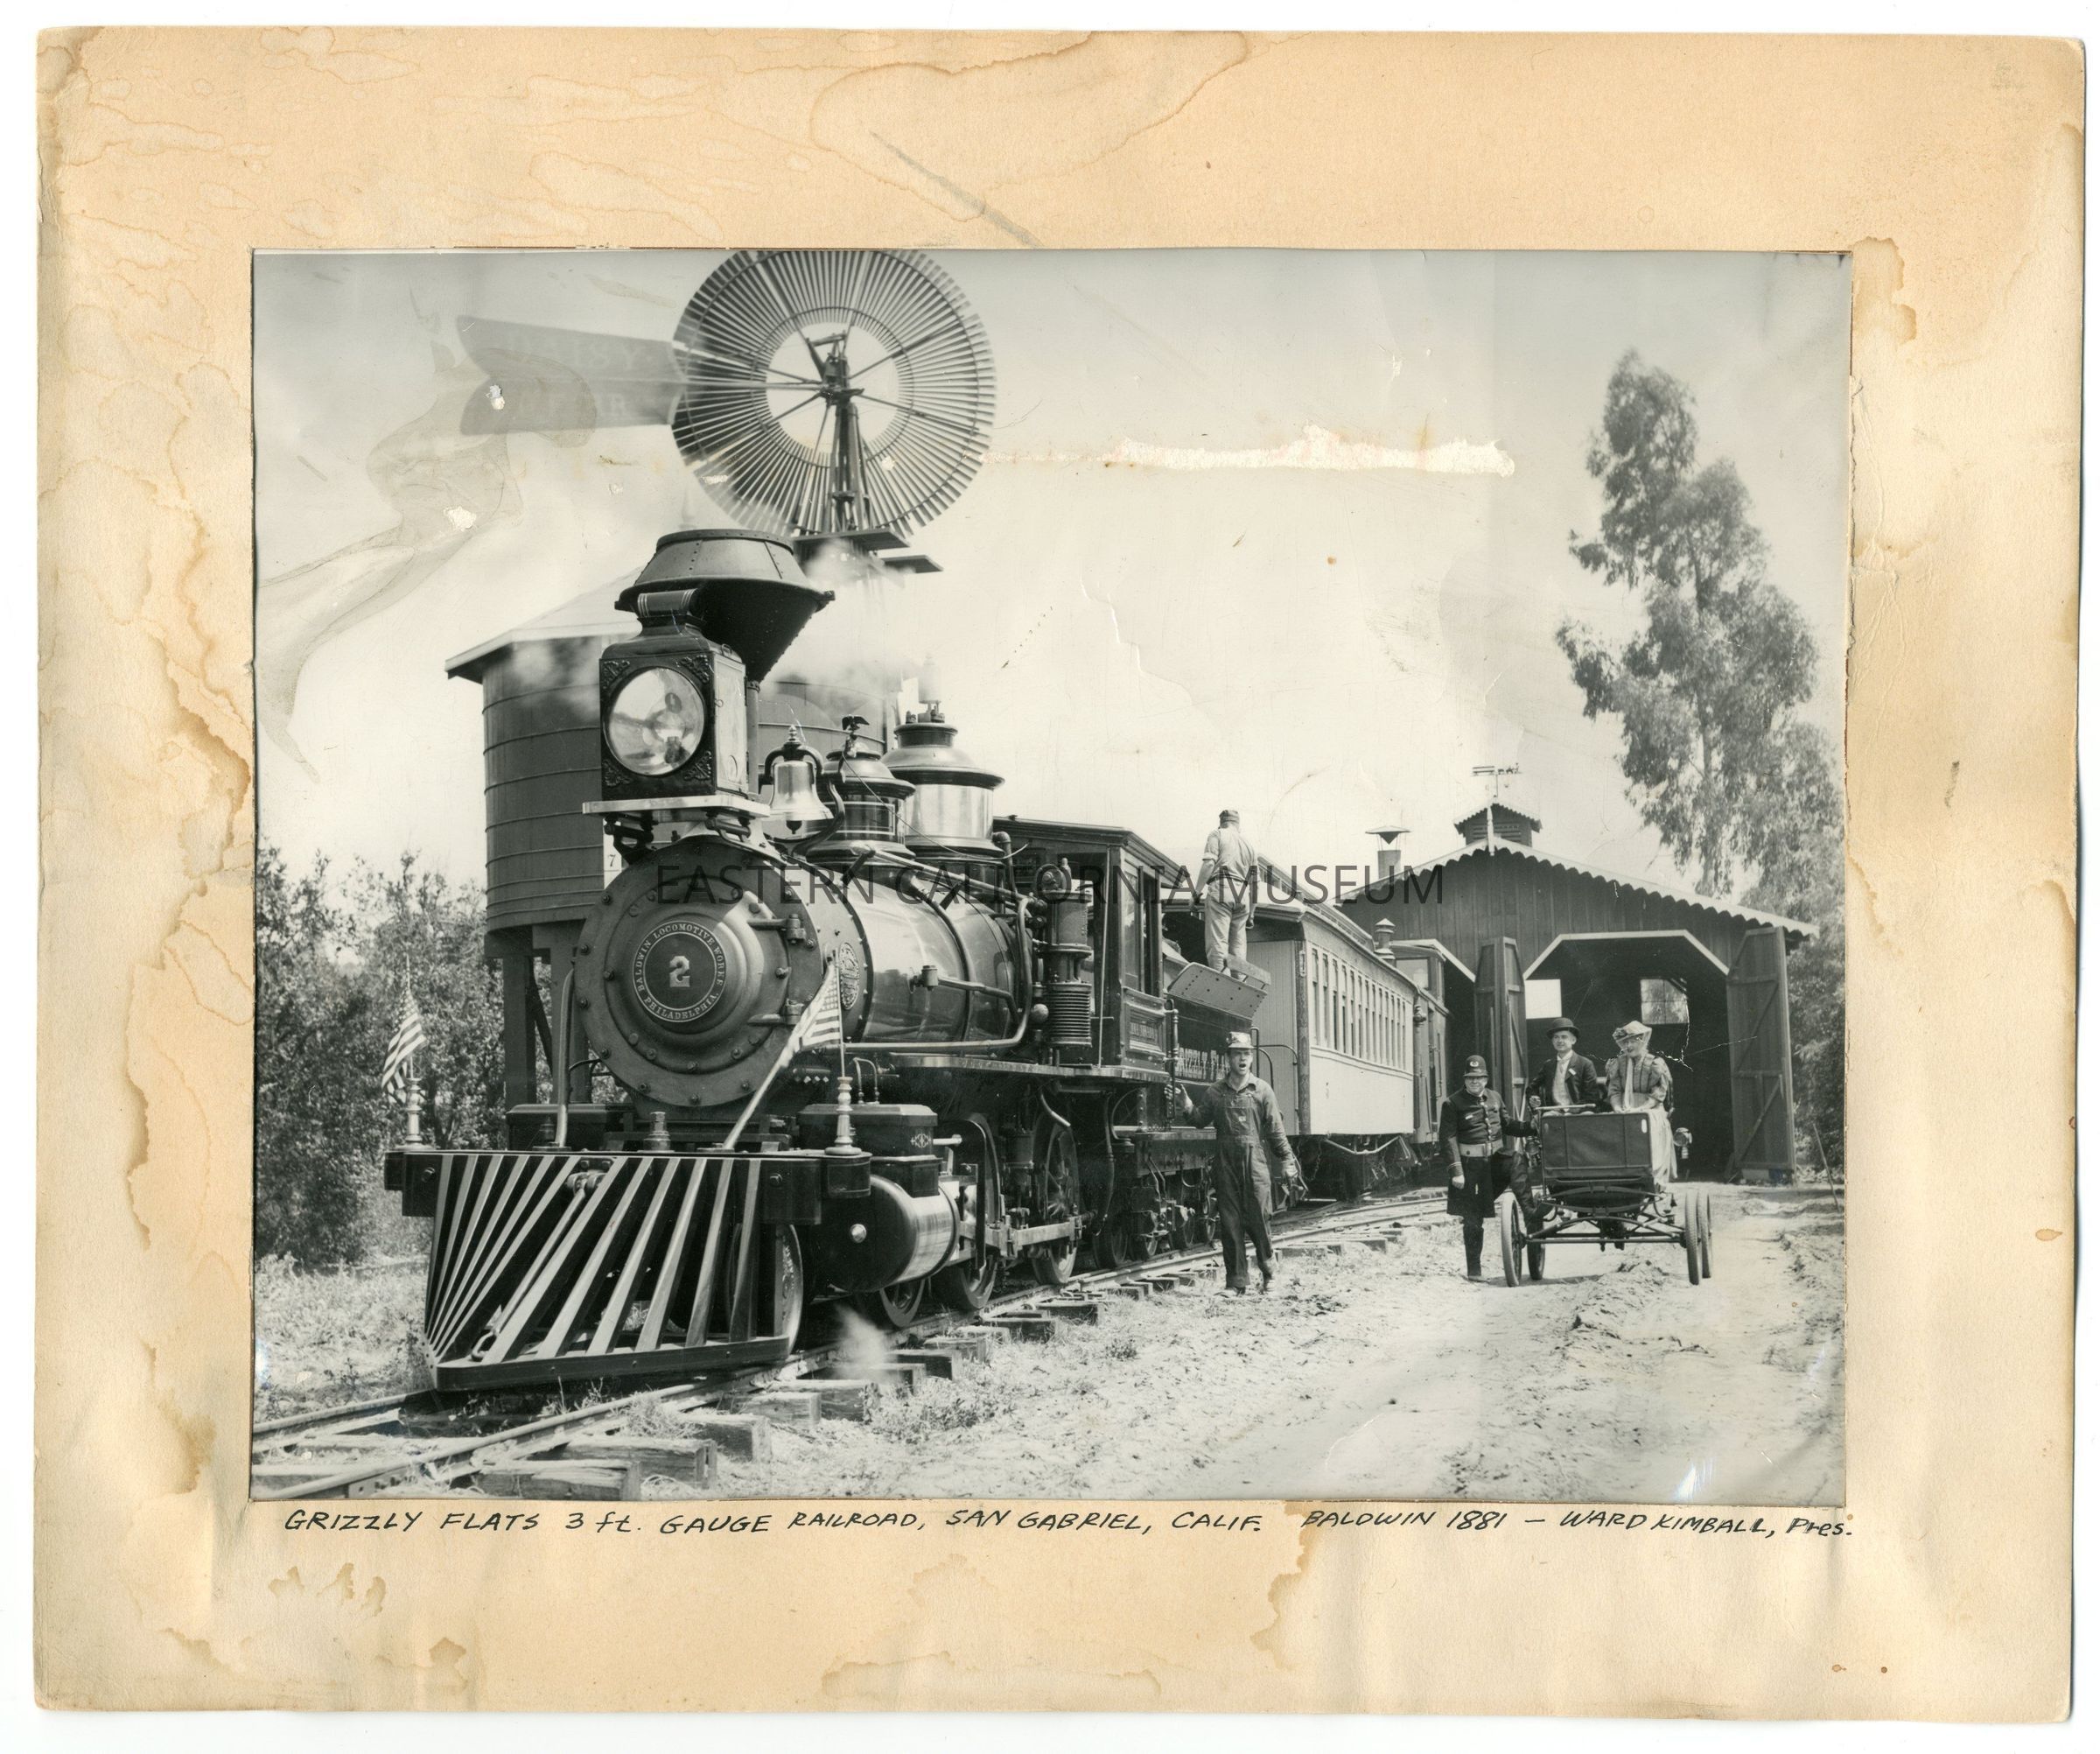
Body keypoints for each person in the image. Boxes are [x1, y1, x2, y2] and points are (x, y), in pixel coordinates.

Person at [1179, 1031, 1299, 1293]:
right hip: (1225, 1164)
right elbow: (1199, 1120)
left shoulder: (1262, 1090)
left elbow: (1276, 1131)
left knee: (1259, 1219)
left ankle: (1269, 1274)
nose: (1242, 1059)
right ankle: (1235, 1284)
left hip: (1255, 1163)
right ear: (1228, 1058)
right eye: (1236, 1054)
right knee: (1230, 1224)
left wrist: (1287, 1160)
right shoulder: (1215, 1092)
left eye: (1246, 1054)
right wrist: (1187, 1106)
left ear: (1252, 1058)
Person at [1438, 1053, 1537, 1280]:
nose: (1475, 1082)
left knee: (1516, 1159)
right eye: (1471, 1078)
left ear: (1486, 1079)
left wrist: (1531, 1126)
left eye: (1479, 1077)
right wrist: (1456, 1171)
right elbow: (1448, 1138)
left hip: (1493, 1164)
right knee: (1473, 1220)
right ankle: (1474, 1271)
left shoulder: (1494, 1097)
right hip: (1469, 1168)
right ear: (1465, 1080)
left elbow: (1508, 1125)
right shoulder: (1452, 1103)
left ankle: (1529, 1211)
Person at [1604, 1020, 1675, 1190]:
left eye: (1632, 1042)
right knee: (1609, 1126)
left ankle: (1649, 1174)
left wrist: (1640, 1109)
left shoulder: (1655, 1063)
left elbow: (1658, 1094)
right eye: (1625, 1043)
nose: (1628, 1046)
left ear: (1643, 1041)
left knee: (1647, 1123)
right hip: (1624, 1108)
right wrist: (1617, 1108)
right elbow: (1614, 1091)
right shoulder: (1618, 1063)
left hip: (1650, 1109)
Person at [1195, 809, 1256, 967]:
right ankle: (1239, 981)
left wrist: (1196, 893)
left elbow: (1209, 864)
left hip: (1222, 887)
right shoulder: (1249, 845)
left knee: (1218, 945)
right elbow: (1255, 884)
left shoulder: (1217, 834)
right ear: (1238, 825)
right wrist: (1251, 914)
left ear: (1221, 823)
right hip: (1243, 893)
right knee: (1238, 948)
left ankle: (1220, 980)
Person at [1525, 1017, 1603, 1111]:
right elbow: (1531, 1088)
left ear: (1573, 1040)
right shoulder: (1548, 1065)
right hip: (1554, 1113)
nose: (1560, 1041)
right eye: (1556, 1037)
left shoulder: (1585, 1064)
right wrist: (1534, 1098)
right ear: (1552, 1041)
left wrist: (1573, 1111)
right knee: (1547, 1118)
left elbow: (1592, 1096)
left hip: (1580, 1114)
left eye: (1564, 1037)